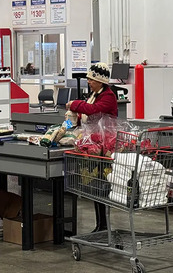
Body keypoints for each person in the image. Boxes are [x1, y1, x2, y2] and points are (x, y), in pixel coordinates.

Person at [66, 63, 117, 232]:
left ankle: (103, 225)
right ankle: (100, 224)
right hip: (94, 145)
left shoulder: (108, 96)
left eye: (91, 79)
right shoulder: (95, 94)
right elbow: (86, 112)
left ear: (100, 81)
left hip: (104, 147)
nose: (88, 81)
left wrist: (75, 104)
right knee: (95, 187)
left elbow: (93, 110)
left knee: (100, 186)